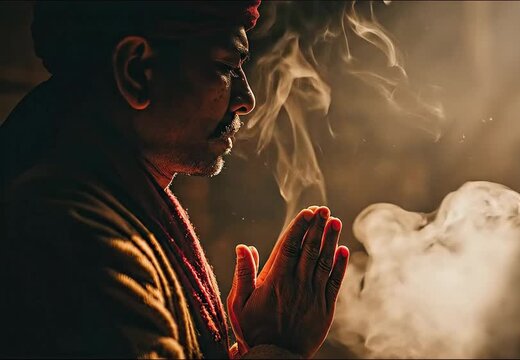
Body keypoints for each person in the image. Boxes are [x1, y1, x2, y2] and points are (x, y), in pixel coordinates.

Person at [0, 1, 349, 358]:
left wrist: (256, 345)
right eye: (226, 66)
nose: (246, 100)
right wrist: (279, 349)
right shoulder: (67, 236)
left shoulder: (109, 197)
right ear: (137, 70)